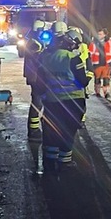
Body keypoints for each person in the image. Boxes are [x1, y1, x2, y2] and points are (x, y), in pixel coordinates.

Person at [37, 22, 89, 172]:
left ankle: (50, 163)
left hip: (52, 102)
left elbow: (40, 82)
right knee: (68, 131)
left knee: (52, 131)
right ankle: (64, 162)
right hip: (73, 102)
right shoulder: (72, 58)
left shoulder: (45, 57)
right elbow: (83, 81)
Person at [23, 19, 46, 141]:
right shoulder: (34, 42)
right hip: (36, 77)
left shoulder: (33, 40)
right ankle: (33, 130)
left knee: (38, 102)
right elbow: (38, 58)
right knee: (37, 103)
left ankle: (34, 129)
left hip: (34, 76)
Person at [89, 27, 111, 98]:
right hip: (97, 64)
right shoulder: (94, 43)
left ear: (105, 35)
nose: (99, 35)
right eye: (98, 34)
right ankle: (97, 93)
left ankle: (106, 93)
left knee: (106, 79)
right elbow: (90, 53)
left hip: (107, 63)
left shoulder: (110, 43)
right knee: (97, 79)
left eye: (100, 34)